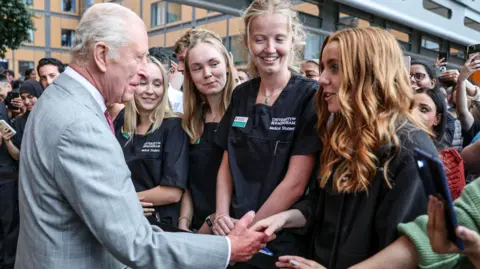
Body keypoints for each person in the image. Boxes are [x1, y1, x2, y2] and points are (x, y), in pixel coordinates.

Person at [15, 3, 271, 269]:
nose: (143, 71)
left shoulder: (58, 99)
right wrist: (228, 248)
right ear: (102, 55)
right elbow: (137, 243)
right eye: (138, 57)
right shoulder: (80, 124)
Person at [251, 27, 437, 269]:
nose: (321, 78)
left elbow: (408, 252)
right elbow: (322, 205)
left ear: (369, 72)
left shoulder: (410, 150)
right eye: (324, 67)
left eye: (335, 68)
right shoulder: (343, 135)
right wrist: (284, 218)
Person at [214, 0, 320, 263]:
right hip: (232, 231)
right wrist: (220, 214)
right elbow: (227, 164)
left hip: (278, 235)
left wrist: (247, 230)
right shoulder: (241, 94)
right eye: (260, 39)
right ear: (248, 42)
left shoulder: (309, 96)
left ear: (293, 40)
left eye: (279, 39)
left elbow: (295, 184)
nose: (269, 49)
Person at [115, 55, 188, 229]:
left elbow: (172, 192)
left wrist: (126, 200)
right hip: (123, 222)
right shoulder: (121, 120)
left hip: (158, 226)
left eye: (157, 84)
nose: (150, 91)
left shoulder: (173, 126)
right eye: (143, 83)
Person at [179, 29, 235, 233]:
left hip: (230, 229)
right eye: (197, 68)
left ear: (227, 65)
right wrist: (184, 221)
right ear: (190, 75)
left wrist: (211, 223)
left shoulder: (245, 116)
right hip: (194, 229)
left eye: (213, 64)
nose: (207, 73)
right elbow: (188, 182)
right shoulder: (190, 122)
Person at [0, 74, 18, 269]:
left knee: (8, 225)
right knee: (8, 225)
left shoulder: (8, 107)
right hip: (6, 175)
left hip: (7, 174)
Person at [2, 79, 42, 161]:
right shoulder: (19, 121)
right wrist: (7, 140)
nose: (26, 102)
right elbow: (18, 156)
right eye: (23, 98)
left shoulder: (50, 118)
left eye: (30, 97)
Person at [149, 46, 184, 113]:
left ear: (171, 70)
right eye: (152, 73)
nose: (157, 78)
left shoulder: (182, 100)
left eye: (162, 73)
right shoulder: (136, 99)